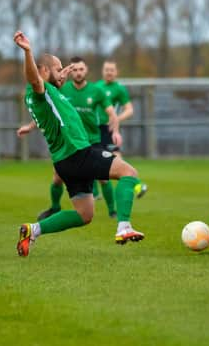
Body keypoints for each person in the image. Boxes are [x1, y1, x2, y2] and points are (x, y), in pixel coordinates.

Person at [13, 31, 145, 257]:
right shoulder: (38, 89)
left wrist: (58, 77)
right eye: (57, 68)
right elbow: (35, 78)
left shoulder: (50, 92)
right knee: (129, 173)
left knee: (84, 215)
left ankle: (33, 230)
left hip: (65, 160)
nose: (62, 72)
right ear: (44, 71)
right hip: (77, 152)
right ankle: (124, 226)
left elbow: (50, 93)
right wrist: (28, 52)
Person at [18, 57, 124, 220]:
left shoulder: (95, 90)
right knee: (59, 178)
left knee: (102, 179)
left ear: (86, 70)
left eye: (80, 69)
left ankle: (112, 211)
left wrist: (115, 131)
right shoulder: (61, 89)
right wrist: (31, 126)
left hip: (90, 139)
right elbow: (48, 108)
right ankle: (55, 207)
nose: (77, 72)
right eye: (72, 70)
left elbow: (112, 114)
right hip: (71, 144)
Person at [93, 60, 147, 198]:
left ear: (116, 72)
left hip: (109, 131)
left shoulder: (119, 89)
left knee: (118, 161)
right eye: (107, 69)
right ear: (102, 71)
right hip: (93, 130)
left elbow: (129, 110)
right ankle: (95, 193)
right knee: (94, 164)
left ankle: (138, 186)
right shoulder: (96, 87)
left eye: (112, 70)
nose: (109, 72)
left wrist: (117, 119)